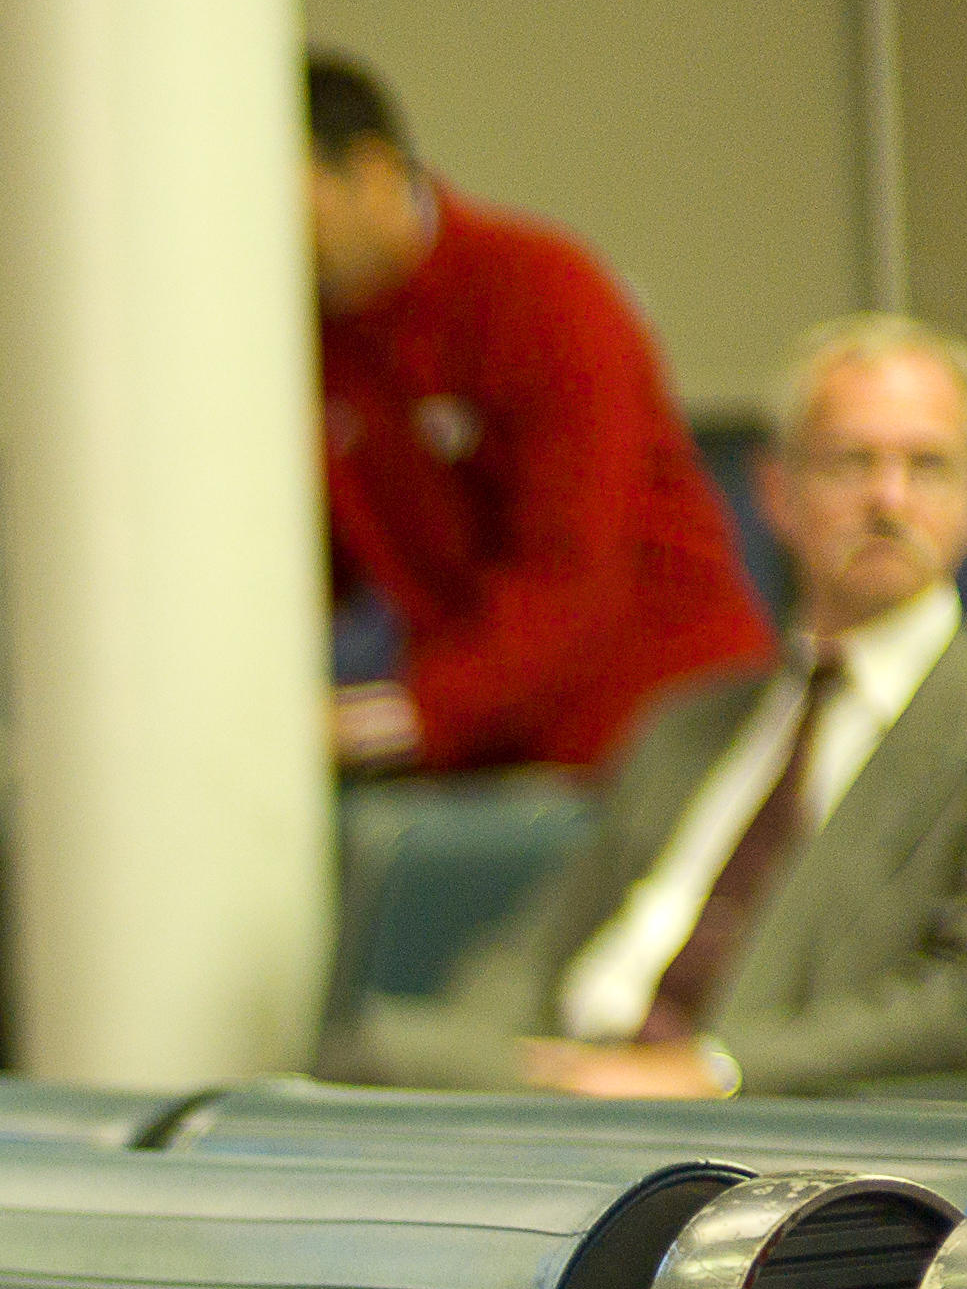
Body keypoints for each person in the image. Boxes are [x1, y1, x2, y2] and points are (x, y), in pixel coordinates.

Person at [332, 316, 967, 1099]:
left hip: (758, 1130)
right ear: (777, 493)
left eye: (927, 466)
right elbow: (538, 950)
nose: (888, 500)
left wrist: (712, 1071)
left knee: (360, 1072)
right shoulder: (687, 725)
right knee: (362, 1063)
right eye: (850, 463)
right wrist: (477, 1079)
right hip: (570, 1096)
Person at [308, 52, 775, 777]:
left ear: (370, 172)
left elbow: (574, 575)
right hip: (490, 744)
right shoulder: (308, 336)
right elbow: (309, 560)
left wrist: (408, 716)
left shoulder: (540, 293)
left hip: (656, 737)